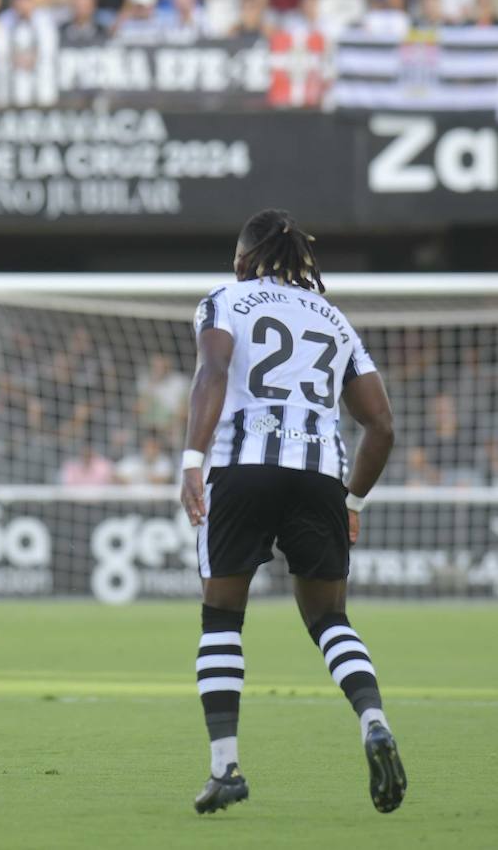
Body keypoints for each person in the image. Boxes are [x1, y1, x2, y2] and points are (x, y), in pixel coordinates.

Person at [180, 208, 405, 815]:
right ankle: (374, 721)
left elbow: (214, 371)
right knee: (330, 619)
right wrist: (352, 499)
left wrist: (191, 458)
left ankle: (225, 768)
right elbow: (380, 424)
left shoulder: (226, 299)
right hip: (319, 475)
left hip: (243, 467)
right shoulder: (336, 320)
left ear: (245, 258)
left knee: (222, 618)